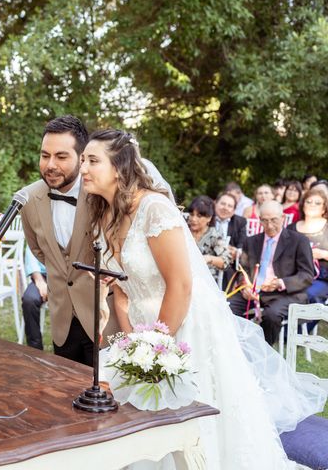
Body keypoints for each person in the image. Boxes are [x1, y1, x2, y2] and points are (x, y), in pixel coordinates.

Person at [80, 129, 325, 469]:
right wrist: (133, 347)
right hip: (144, 330)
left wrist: (156, 349)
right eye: (82, 160)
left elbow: (180, 284)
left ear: (119, 167)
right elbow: (122, 293)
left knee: (194, 428)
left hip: (185, 327)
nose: (84, 169)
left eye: (93, 160)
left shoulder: (154, 209)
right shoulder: (107, 214)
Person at [19, 115, 119, 366]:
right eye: (45, 155)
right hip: (62, 320)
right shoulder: (28, 199)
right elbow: (40, 251)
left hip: (103, 318)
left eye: (61, 157)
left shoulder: (103, 193)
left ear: (82, 157)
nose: (50, 164)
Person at [227, 200, 315, 345]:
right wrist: (245, 286)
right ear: (259, 220)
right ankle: (235, 348)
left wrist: (280, 283)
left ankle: (265, 354)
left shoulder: (299, 241)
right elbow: (242, 270)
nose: (269, 225)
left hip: (285, 293)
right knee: (227, 307)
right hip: (255, 291)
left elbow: (306, 275)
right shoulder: (251, 241)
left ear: (282, 218)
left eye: (274, 220)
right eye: (265, 220)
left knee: (271, 315)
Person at [289, 186, 328, 304]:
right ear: (303, 205)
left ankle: (306, 322)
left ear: (324, 209)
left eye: (317, 203)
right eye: (309, 202)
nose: (312, 205)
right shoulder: (291, 228)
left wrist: (322, 254)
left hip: (321, 277)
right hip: (294, 274)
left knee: (306, 295)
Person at [186, 196, 231, 282]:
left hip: (203, 280)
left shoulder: (214, 235)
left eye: (199, 216)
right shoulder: (183, 231)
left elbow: (226, 261)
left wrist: (209, 258)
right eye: (191, 214)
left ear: (209, 218)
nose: (193, 219)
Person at [214, 192, 247, 290]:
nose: (225, 208)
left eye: (229, 206)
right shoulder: (207, 218)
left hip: (229, 262)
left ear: (233, 211)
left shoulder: (240, 222)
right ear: (215, 204)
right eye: (223, 204)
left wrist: (237, 251)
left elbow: (242, 244)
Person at [21, 245, 47, 349]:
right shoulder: (38, 229)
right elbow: (31, 253)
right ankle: (35, 349)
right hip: (42, 276)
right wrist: (39, 280)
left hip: (65, 277)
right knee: (29, 300)